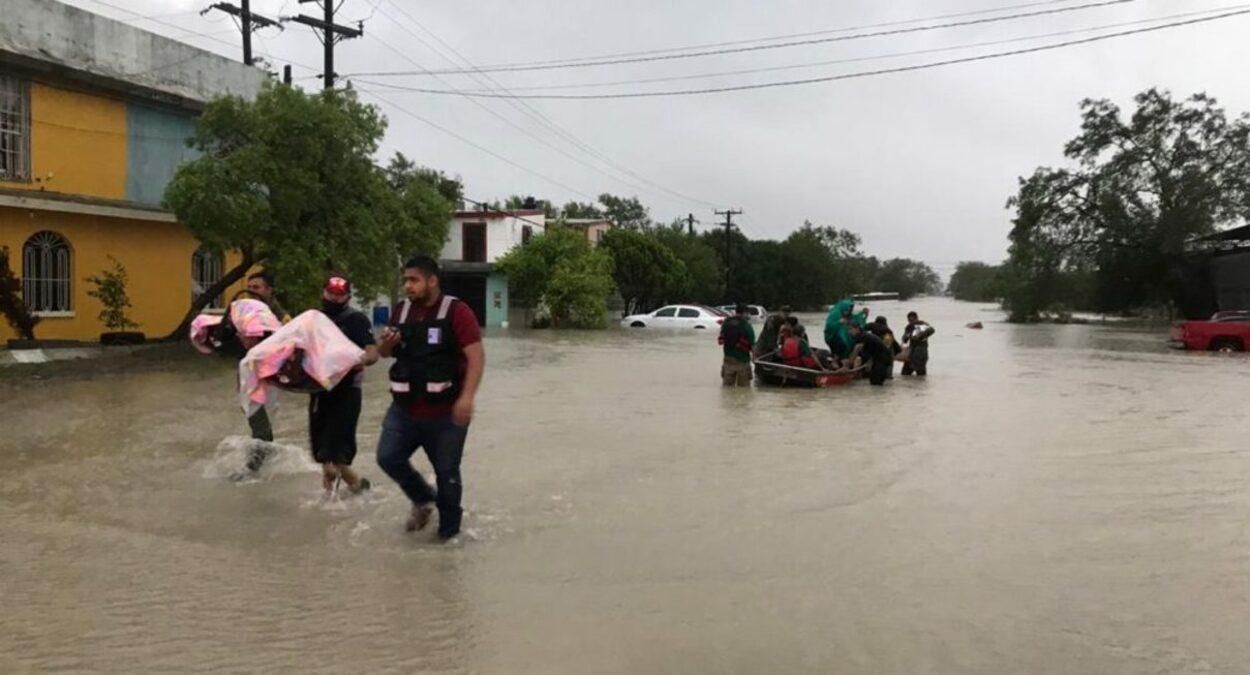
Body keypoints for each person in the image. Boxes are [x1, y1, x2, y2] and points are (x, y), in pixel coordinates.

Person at [376, 256, 485, 541]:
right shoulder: (401, 312)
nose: (407, 286)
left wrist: (467, 398)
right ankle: (424, 499)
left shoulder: (457, 312)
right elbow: (385, 353)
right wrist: (385, 345)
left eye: (414, 280)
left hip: (446, 412)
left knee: (447, 473)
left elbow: (476, 357)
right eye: (405, 280)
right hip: (405, 408)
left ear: (432, 281)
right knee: (388, 457)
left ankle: (449, 539)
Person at [310, 275, 380, 495]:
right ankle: (345, 489)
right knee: (321, 445)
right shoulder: (313, 319)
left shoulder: (357, 320)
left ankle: (351, 485)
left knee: (338, 447)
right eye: (330, 292)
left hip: (347, 390)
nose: (334, 297)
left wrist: (359, 360)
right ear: (323, 292)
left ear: (348, 296)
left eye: (339, 294)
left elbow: (372, 351)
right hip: (319, 389)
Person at [718, 302, 756, 387]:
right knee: (744, 390)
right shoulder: (746, 325)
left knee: (727, 389)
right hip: (742, 361)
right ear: (745, 312)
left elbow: (722, 338)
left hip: (728, 360)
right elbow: (752, 344)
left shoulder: (726, 323)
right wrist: (754, 357)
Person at [901, 311, 935, 377]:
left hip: (920, 353)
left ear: (917, 318)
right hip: (912, 353)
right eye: (909, 320)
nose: (911, 322)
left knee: (920, 375)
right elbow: (905, 340)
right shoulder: (909, 327)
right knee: (905, 374)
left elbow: (932, 330)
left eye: (912, 320)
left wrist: (921, 332)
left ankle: (919, 387)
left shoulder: (922, 325)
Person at [869, 315, 902, 379]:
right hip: (888, 348)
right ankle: (888, 376)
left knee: (875, 362)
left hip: (877, 348)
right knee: (888, 364)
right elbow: (893, 341)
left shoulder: (873, 327)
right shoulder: (887, 330)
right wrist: (898, 349)